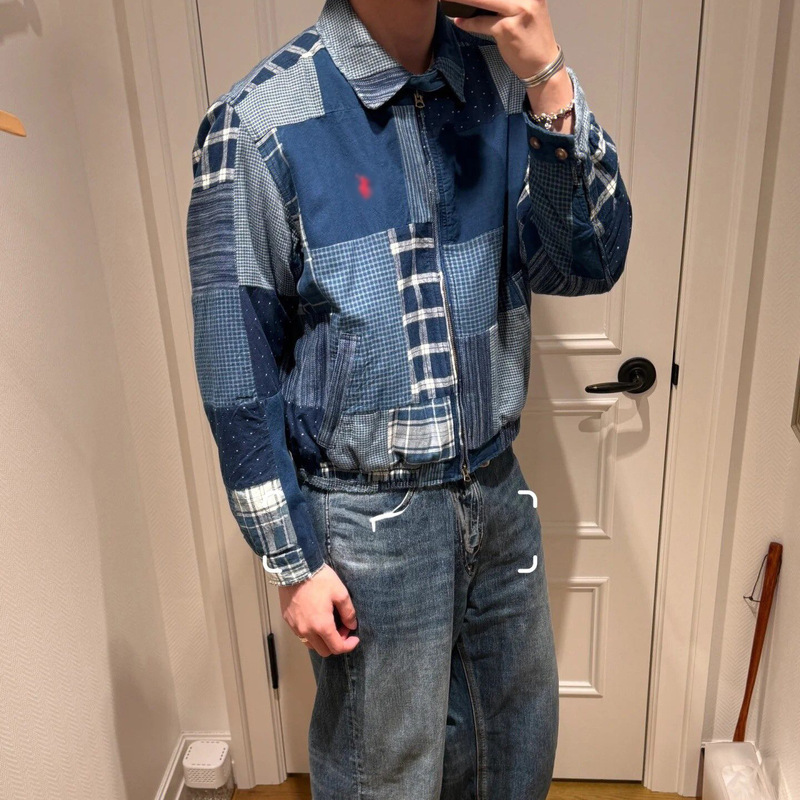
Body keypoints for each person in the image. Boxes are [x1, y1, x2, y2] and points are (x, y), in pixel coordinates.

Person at [185, 0, 632, 796]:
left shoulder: (502, 83)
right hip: (366, 519)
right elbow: (236, 375)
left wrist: (549, 78)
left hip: (497, 490)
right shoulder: (257, 124)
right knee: (383, 778)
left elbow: (586, 263)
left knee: (515, 755)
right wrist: (292, 561)